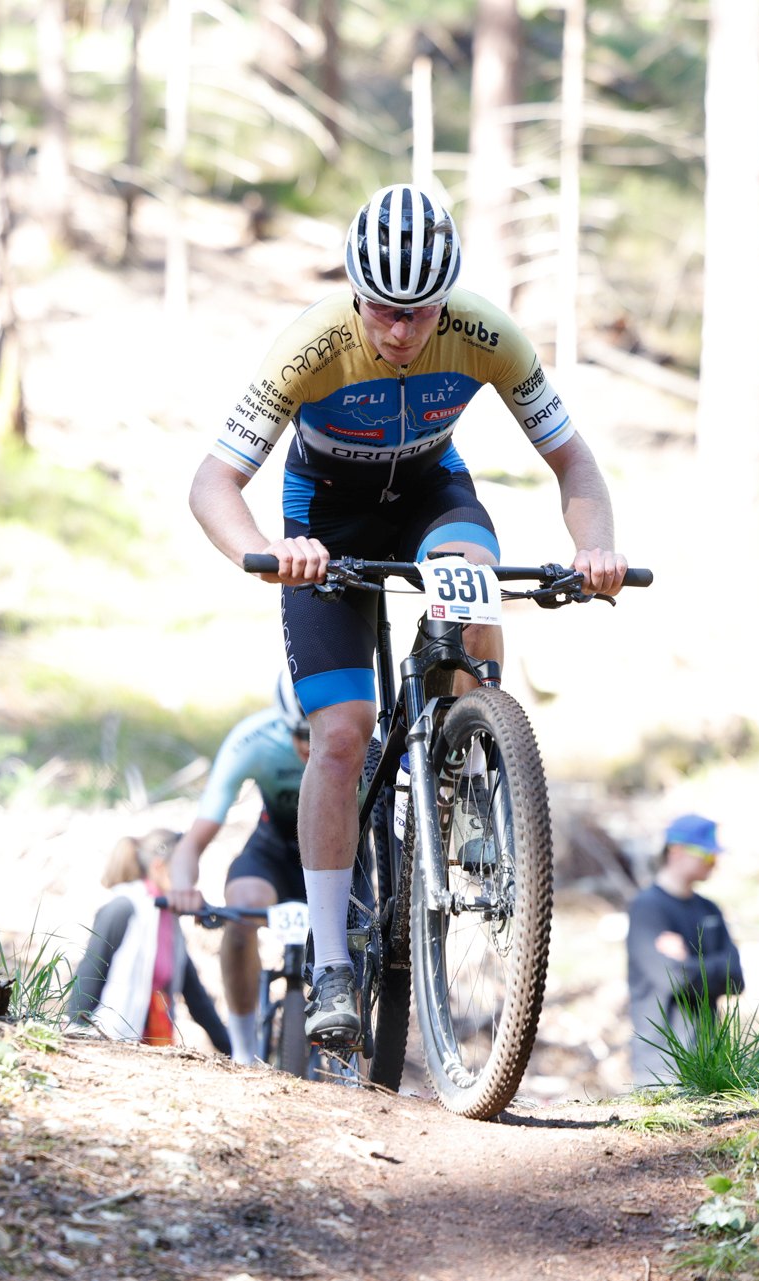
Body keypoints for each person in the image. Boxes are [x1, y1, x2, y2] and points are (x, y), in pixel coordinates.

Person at [187, 183, 630, 1049]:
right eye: (383, 310)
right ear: (356, 294)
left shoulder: (486, 334)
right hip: (327, 521)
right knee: (341, 733)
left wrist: (597, 548)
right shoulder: (310, 345)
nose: (399, 330)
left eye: (419, 312)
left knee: (474, 581)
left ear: (445, 301)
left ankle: (472, 763)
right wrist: (267, 550)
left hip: (432, 496)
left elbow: (573, 460)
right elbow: (212, 482)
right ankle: (332, 963)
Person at [163, 675, 313, 1065]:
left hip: (346, 864)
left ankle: (359, 1075)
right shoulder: (255, 740)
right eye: (300, 734)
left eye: (319, 733)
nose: (309, 746)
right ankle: (244, 1051)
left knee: (363, 949)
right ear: (283, 723)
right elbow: (192, 842)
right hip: (274, 853)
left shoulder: (366, 739)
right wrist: (183, 886)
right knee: (242, 912)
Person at [67, 830, 231, 1054]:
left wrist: (234, 1049)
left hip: (154, 1046)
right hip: (111, 1044)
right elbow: (89, 977)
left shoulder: (169, 920)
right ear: (159, 866)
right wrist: (73, 1039)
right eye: (183, 868)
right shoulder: (123, 909)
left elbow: (195, 995)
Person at [626, 814, 746, 1088]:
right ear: (676, 851)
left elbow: (736, 977)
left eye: (715, 856)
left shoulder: (709, 909)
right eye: (706, 855)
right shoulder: (647, 908)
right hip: (660, 1068)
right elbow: (675, 979)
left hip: (708, 1062)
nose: (713, 863)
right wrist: (712, 967)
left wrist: (688, 963)